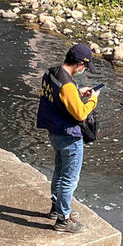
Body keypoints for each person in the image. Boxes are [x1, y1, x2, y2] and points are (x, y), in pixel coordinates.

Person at [36, 43, 100, 233]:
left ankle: (55, 208)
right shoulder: (67, 85)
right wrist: (93, 99)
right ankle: (63, 219)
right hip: (69, 137)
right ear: (80, 64)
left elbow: (58, 97)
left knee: (59, 171)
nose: (84, 70)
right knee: (69, 178)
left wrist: (77, 93)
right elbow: (81, 114)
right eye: (85, 67)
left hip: (54, 132)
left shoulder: (51, 73)